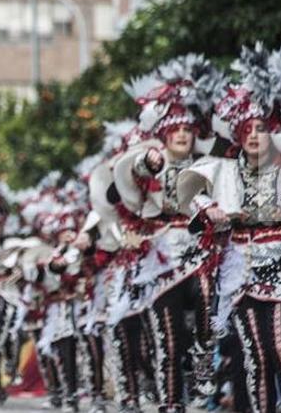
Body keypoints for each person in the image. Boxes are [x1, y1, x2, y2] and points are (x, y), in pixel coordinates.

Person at [178, 43, 281, 413]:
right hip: (241, 272)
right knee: (254, 355)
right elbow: (187, 191)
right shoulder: (225, 170)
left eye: (261, 128)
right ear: (237, 132)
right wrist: (211, 208)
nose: (254, 135)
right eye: (247, 129)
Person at [112, 54, 227, 412]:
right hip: (159, 261)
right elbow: (129, 175)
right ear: (163, 133)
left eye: (188, 129)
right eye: (175, 128)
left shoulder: (209, 167)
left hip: (199, 252)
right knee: (169, 340)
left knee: (211, 302)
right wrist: (149, 162)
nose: (181, 134)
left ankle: (206, 356)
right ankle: (170, 402)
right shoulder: (151, 163)